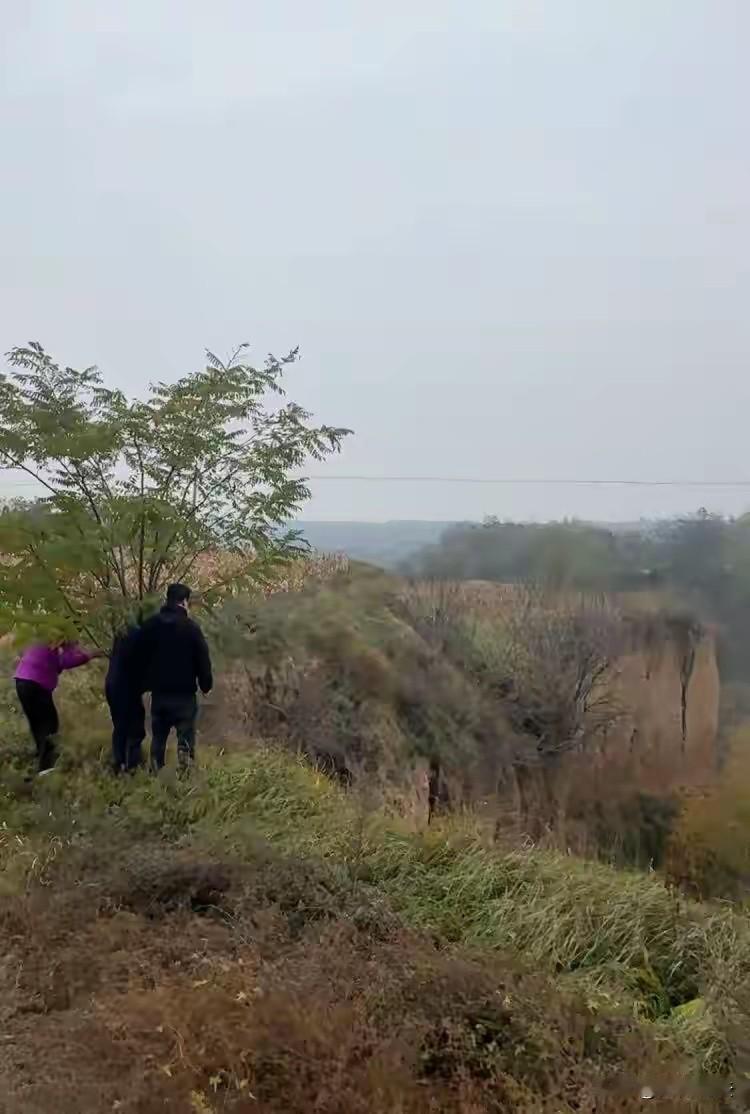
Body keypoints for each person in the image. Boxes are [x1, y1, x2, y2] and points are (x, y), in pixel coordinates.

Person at [136, 583, 213, 772]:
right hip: (184, 696)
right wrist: (206, 685)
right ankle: (185, 782)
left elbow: (139, 656)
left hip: (160, 695)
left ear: (167, 599)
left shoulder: (151, 625)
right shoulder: (191, 628)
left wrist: (142, 684)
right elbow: (202, 658)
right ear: (185, 602)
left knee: (158, 739)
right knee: (185, 741)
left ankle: (155, 776)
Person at [14, 639, 104, 774]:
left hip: (22, 680)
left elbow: (53, 661)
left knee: (37, 723)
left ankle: (40, 759)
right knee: (49, 726)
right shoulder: (62, 634)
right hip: (37, 683)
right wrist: (90, 655)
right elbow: (66, 661)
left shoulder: (45, 631)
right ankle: (47, 769)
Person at [105, 622, 146, 775]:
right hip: (125, 688)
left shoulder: (119, 646)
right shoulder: (135, 642)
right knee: (135, 729)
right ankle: (133, 768)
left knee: (120, 727)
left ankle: (118, 764)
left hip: (111, 685)